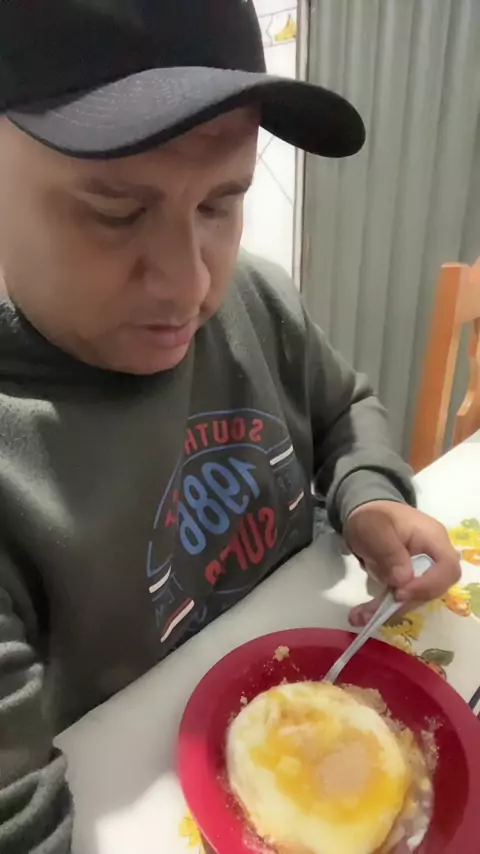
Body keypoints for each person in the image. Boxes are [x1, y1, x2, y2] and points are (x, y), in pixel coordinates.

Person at [0, 1, 459, 852]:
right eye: (115, 211)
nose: (188, 285)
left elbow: (343, 406)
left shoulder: (254, 300)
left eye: (221, 202)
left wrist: (368, 496)